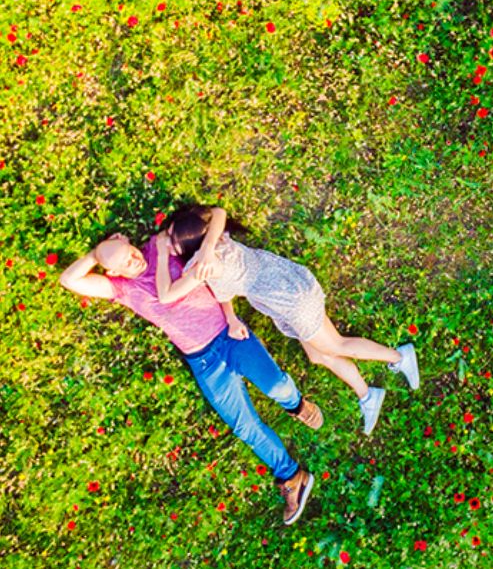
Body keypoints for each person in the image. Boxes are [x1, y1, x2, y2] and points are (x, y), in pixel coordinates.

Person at [59, 231, 320, 525]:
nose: (134, 259)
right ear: (114, 271)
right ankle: (292, 476)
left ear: (130, 242)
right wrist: (97, 254)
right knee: (244, 425)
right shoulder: (121, 288)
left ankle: (295, 404)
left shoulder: (162, 247)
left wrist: (232, 318)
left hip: (229, 333)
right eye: (124, 262)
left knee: (277, 385)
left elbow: (212, 272)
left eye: (129, 250)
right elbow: (69, 280)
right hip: (203, 361)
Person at [156, 204, 419, 437]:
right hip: (285, 283)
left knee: (336, 345)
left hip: (290, 300)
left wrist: (160, 252)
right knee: (318, 356)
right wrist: (232, 318)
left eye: (171, 240)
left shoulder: (201, 266)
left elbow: (166, 296)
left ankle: (399, 357)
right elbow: (219, 215)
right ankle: (368, 395)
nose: (167, 242)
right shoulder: (217, 240)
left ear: (190, 248)